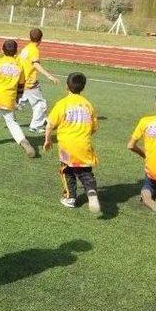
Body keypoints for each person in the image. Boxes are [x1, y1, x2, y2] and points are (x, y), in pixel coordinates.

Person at [43, 72, 100, 214]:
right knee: (85, 171)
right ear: (83, 87)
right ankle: (91, 191)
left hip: (67, 145)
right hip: (84, 144)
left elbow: (50, 124)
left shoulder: (62, 104)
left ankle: (70, 197)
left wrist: (47, 139)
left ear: (67, 86)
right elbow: (94, 128)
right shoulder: (88, 105)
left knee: (66, 170)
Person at [17, 28, 59, 133]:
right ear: (41, 39)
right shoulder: (34, 50)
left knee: (22, 101)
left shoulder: (26, 48)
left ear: (30, 38)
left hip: (22, 81)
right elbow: (36, 64)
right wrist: (49, 76)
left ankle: (0, 105)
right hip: (29, 82)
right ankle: (35, 126)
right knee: (41, 104)